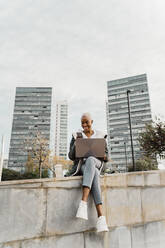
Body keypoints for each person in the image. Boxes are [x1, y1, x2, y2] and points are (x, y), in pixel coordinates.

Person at [68, 112, 109, 232]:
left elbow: (107, 156)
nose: (84, 125)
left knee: (91, 159)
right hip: (83, 166)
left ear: (92, 122)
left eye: (87, 122)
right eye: (82, 123)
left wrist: (99, 153)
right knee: (93, 172)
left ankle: (83, 202)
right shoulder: (77, 135)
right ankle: (101, 218)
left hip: (97, 162)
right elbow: (71, 156)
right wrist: (76, 144)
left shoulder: (100, 135)